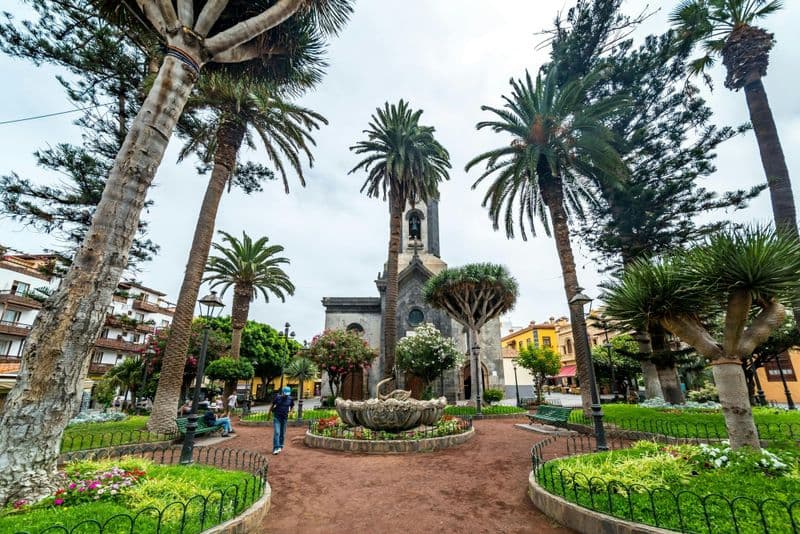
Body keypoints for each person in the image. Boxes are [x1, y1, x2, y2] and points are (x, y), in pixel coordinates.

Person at [269, 386, 294, 455]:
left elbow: (292, 406)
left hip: (284, 418)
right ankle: (275, 448)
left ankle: (280, 445)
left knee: (282, 433)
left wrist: (291, 412)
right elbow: (272, 405)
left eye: (287, 394)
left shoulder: (290, 399)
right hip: (277, 417)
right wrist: (269, 414)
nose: (286, 395)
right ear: (282, 392)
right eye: (285, 393)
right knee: (277, 432)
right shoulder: (278, 398)